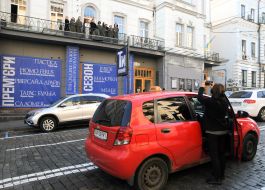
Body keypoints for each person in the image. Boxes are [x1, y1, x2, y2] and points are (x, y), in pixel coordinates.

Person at [197, 83, 229, 185]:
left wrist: (202, 87)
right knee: (221, 154)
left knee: (214, 155)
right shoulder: (225, 102)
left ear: (212, 92)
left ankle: (217, 178)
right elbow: (222, 95)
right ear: (222, 92)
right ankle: (222, 175)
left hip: (213, 132)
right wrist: (218, 89)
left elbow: (199, 98)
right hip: (223, 131)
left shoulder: (210, 102)